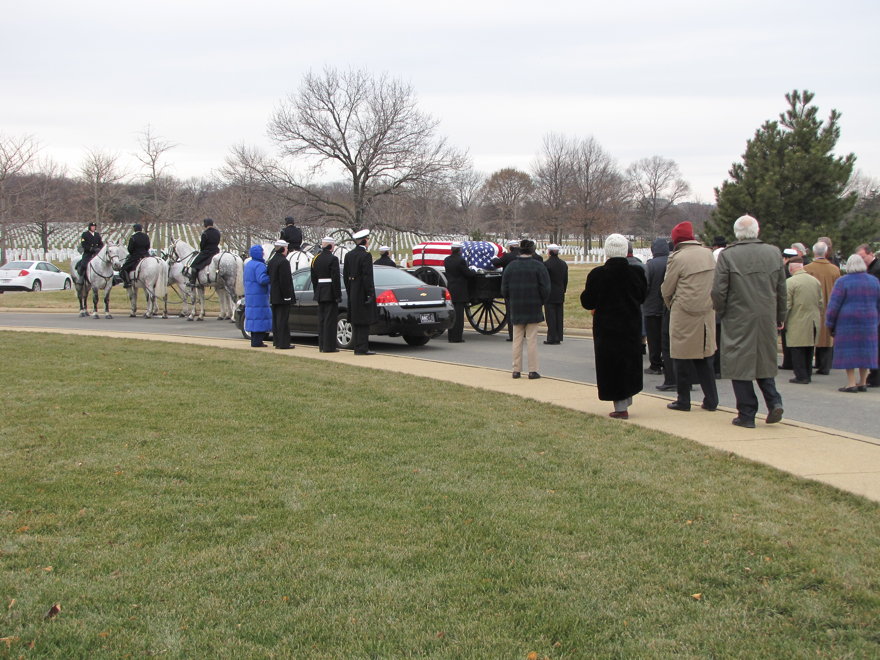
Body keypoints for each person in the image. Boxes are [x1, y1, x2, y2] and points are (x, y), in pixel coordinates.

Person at [712, 215, 786, 428]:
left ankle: (746, 413)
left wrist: (721, 311)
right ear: (757, 230)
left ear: (737, 233)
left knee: (739, 363)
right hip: (765, 316)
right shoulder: (773, 253)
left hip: (737, 316)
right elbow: (781, 289)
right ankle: (774, 401)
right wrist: (780, 316)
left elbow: (719, 290)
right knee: (763, 360)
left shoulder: (729, 255)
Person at [581, 233, 647, 419]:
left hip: (607, 329)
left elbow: (587, 301)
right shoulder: (637, 273)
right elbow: (642, 296)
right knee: (628, 364)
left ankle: (620, 406)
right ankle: (625, 400)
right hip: (630, 326)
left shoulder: (598, 274)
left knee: (612, 367)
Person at [660, 221, 719, 412]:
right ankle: (711, 399)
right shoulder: (708, 254)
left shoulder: (677, 258)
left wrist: (672, 304)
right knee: (705, 358)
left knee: (681, 358)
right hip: (706, 312)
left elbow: (667, 288)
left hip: (684, 312)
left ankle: (683, 400)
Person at [825, 254, 880, 392]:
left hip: (847, 322)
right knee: (866, 351)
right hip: (869, 321)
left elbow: (834, 305)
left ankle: (851, 383)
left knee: (849, 352)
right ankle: (862, 382)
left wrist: (830, 322)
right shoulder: (874, 281)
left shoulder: (843, 282)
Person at [501, 239, 551, 379]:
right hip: (533, 305)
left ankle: (516, 370)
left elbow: (504, 289)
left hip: (516, 306)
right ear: (532, 250)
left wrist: (511, 300)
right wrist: (541, 301)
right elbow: (546, 288)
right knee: (532, 339)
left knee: (517, 339)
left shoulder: (511, 267)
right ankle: (532, 370)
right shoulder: (539, 266)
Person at [804, 241, 841, 375]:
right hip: (830, 305)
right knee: (827, 335)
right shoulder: (835, 269)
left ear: (814, 252)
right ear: (826, 253)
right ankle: (825, 365)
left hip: (813, 305)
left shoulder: (808, 269)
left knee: (811, 335)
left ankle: (811, 364)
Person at [784, 258, 823, 384]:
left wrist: (781, 320)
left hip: (797, 320)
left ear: (791, 268)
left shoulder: (790, 282)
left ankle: (801, 375)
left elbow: (787, 305)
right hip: (813, 320)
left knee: (797, 349)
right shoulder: (815, 281)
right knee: (809, 348)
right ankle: (808, 373)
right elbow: (821, 303)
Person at [343, 229, 378, 355]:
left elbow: (345, 275)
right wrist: (370, 293)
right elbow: (367, 276)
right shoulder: (366, 255)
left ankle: (357, 346)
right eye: (367, 239)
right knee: (363, 320)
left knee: (356, 320)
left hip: (353, 289)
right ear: (364, 240)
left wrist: (350, 290)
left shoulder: (349, 255)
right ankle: (362, 347)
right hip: (363, 290)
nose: (368, 242)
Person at [643, 237, 670, 374]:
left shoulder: (650, 265)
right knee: (666, 338)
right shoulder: (672, 262)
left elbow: (645, 285)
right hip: (667, 307)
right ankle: (667, 364)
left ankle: (655, 365)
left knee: (653, 339)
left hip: (652, 307)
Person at [311, 236, 342, 352]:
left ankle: (322, 345)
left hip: (320, 290)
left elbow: (313, 278)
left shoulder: (316, 259)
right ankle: (329, 346)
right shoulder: (333, 259)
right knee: (330, 320)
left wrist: (317, 291)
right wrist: (337, 295)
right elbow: (335, 278)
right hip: (330, 291)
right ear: (331, 246)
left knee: (322, 319)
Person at [856, 244, 880, 387]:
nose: (862, 261)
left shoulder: (876, 270)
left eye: (863, 257)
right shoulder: (871, 269)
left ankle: (876, 376)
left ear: (871, 254)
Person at [443, 242, 475, 343]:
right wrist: (473, 271)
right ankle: (457, 338)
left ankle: (451, 336)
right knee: (459, 316)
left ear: (452, 250)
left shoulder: (446, 260)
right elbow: (467, 273)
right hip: (460, 291)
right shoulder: (461, 260)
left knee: (452, 314)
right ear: (460, 250)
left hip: (451, 288)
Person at [492, 239, 522, 341]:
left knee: (511, 312)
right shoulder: (523, 256)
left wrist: (494, 258)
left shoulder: (508, 256)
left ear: (510, 248)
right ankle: (523, 333)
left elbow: (497, 263)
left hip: (510, 288)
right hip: (522, 287)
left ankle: (513, 335)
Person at [267, 240, 295, 350]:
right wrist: (287, 295)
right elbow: (285, 281)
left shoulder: (272, 261)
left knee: (276, 319)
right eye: (287, 248)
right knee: (283, 319)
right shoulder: (283, 262)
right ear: (283, 249)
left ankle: (277, 341)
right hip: (282, 296)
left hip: (274, 295)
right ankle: (284, 343)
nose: (287, 250)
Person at [243, 245, 271, 348]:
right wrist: (271, 277)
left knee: (253, 317)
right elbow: (262, 279)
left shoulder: (248, 265)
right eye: (262, 252)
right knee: (260, 317)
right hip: (259, 296)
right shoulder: (260, 265)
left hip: (250, 295)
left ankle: (254, 340)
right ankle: (258, 341)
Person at [778, 247, 800, 370]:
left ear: (785, 258)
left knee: (786, 334)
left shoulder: (784, 270)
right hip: (798, 307)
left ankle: (788, 362)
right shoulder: (800, 269)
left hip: (788, 306)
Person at [542, 243, 568, 345]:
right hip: (560, 292)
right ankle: (558, 336)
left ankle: (552, 337)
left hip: (550, 293)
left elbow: (545, 280)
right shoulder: (563, 264)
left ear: (549, 252)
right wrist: (563, 290)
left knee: (551, 316)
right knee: (559, 315)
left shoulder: (546, 264)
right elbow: (565, 279)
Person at [188, 218, 221, 286]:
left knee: (194, 265)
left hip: (207, 252)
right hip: (216, 251)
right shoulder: (217, 232)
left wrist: (202, 250)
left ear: (205, 224)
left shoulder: (205, 233)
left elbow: (202, 245)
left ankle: (192, 281)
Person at [120, 223, 150, 288]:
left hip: (136, 256)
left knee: (124, 268)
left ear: (134, 229)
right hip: (146, 255)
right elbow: (148, 247)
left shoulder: (133, 237)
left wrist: (132, 253)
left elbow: (130, 249)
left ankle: (127, 283)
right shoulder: (146, 236)